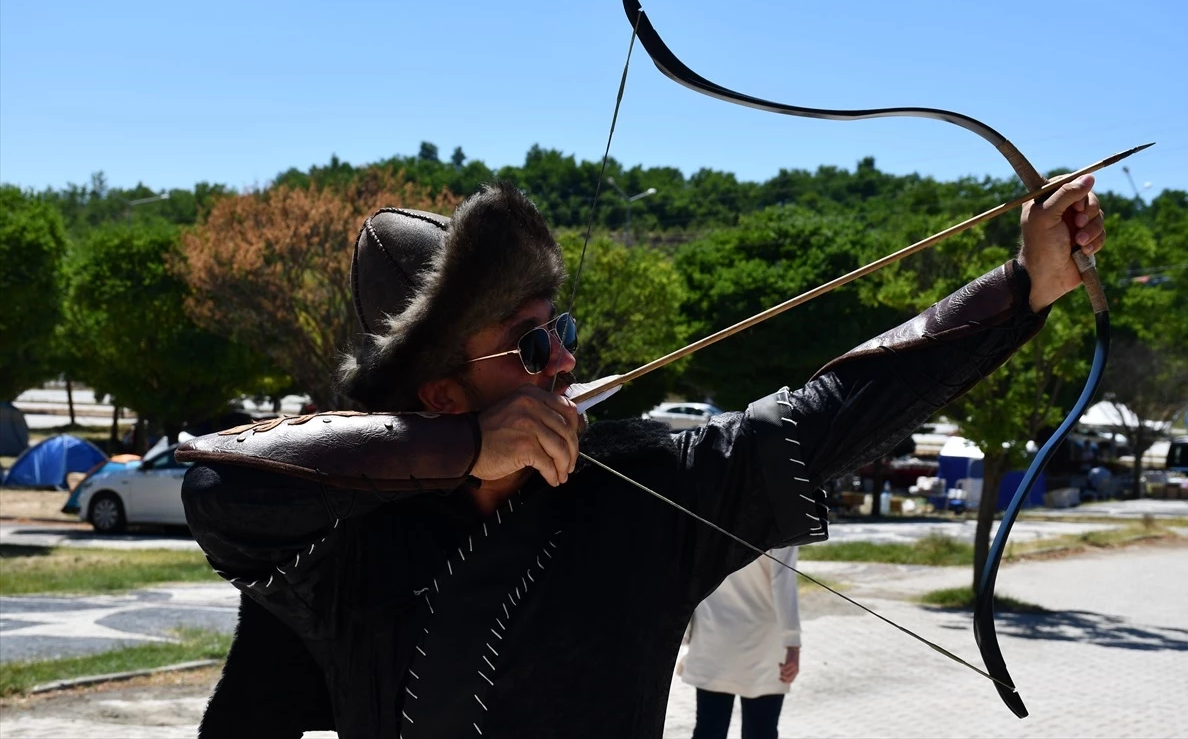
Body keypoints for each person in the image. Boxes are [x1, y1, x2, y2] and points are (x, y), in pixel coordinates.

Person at [180, 175, 1105, 738]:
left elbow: (830, 412)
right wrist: (466, 451)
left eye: (563, 331)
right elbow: (219, 480)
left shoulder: (640, 487)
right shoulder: (345, 545)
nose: (567, 361)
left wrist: (1024, 287)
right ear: (438, 394)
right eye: (531, 344)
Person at [681, 546, 802, 739]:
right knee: (761, 731)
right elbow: (783, 583)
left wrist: (686, 631)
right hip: (764, 643)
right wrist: (792, 644)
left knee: (709, 729)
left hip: (712, 636)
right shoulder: (783, 517)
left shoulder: (706, 515)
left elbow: (688, 572)